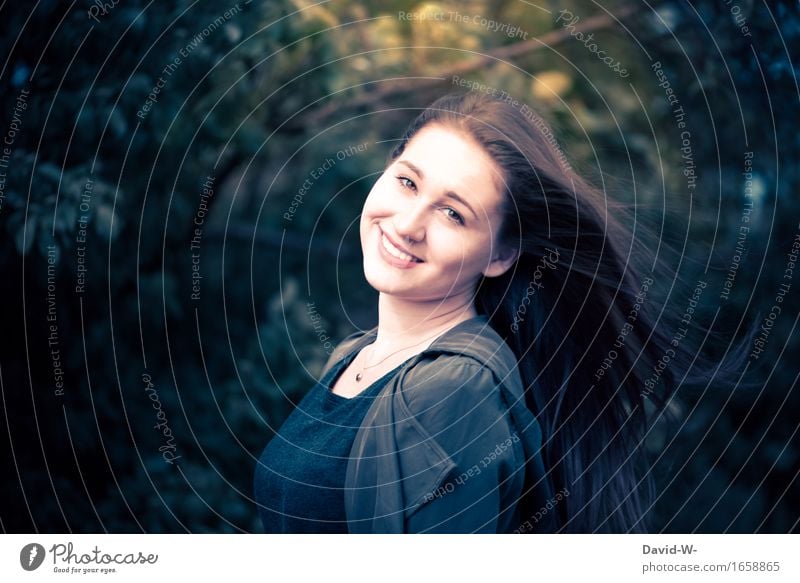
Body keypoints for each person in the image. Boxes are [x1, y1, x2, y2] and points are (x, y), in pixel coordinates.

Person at [254, 90, 756, 533]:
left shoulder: (450, 394)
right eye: (407, 182)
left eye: (454, 214)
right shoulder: (355, 356)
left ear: (500, 255)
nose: (408, 224)